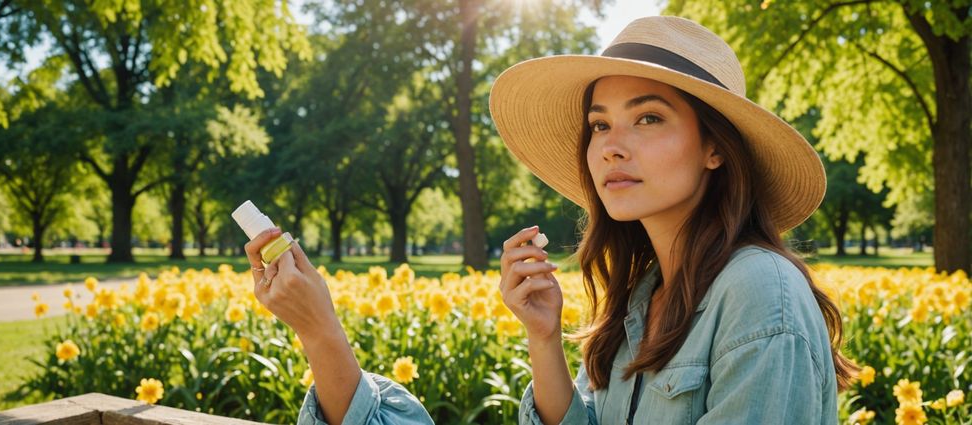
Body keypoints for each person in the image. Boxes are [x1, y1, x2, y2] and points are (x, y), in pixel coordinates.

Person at [244, 15, 857, 425]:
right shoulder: (646, 293)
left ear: (715, 148)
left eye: (648, 118)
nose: (612, 146)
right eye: (598, 124)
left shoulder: (758, 291)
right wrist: (544, 337)